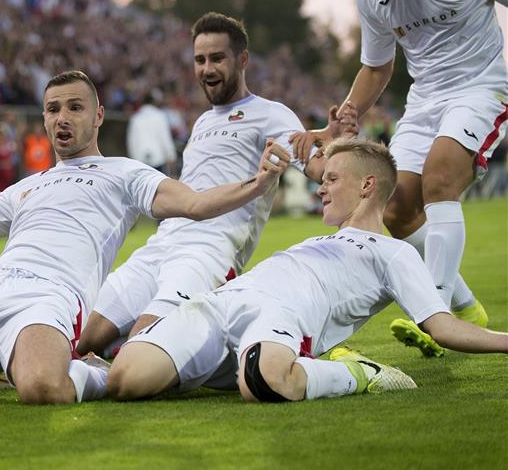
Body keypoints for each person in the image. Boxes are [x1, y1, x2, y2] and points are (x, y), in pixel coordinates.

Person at [0, 70, 289, 404]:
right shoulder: (28, 185)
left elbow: (193, 204)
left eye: (74, 107)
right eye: (53, 109)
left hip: (49, 299)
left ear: (97, 116)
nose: (62, 118)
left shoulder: (125, 173)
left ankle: (95, 371)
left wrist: (259, 183)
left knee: (40, 389)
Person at [107, 138, 508, 405]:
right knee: (125, 379)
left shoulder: (395, 253)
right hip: (222, 304)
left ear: (367, 186)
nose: (321, 188)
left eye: (332, 179)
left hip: (283, 316)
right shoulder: (315, 241)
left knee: (265, 382)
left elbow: (443, 326)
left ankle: (360, 373)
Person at [292, 0, 507, 358]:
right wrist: (338, 122)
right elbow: (377, 66)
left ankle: (438, 312)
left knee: (440, 179)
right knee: (395, 209)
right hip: (425, 101)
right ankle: (468, 309)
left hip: (480, 89)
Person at [76, 13, 356, 358]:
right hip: (161, 244)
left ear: (243, 60)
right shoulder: (203, 122)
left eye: (217, 58)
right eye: (200, 60)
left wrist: (336, 145)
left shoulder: (271, 113)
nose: (207, 69)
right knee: (80, 340)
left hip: (207, 252)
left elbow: (315, 166)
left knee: (139, 349)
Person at [126, 89, 177, 176]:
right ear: (154, 102)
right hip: (158, 161)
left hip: (140, 161)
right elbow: (164, 138)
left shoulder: (135, 118)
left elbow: (132, 142)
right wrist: (171, 156)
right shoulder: (160, 116)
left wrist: (133, 160)